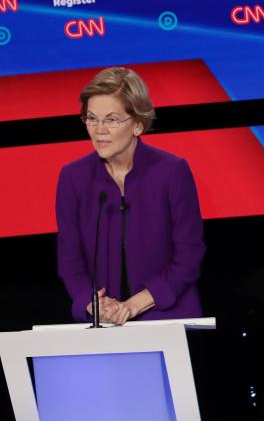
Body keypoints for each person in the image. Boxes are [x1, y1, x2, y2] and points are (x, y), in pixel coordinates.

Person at [56, 67, 205, 324]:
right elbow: (70, 261)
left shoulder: (172, 171)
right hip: (101, 320)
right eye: (91, 118)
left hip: (166, 314)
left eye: (111, 119)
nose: (98, 130)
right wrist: (93, 304)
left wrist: (134, 305)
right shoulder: (73, 178)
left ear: (137, 124)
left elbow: (189, 256)